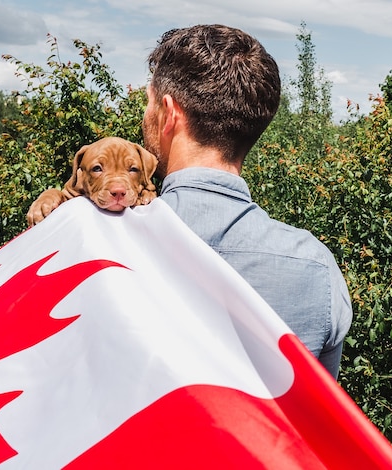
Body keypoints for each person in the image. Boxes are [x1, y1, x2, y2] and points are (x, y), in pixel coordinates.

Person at [142, 24, 352, 378]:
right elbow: (318, 414)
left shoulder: (98, 236)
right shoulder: (316, 267)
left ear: (169, 113)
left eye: (147, 104)